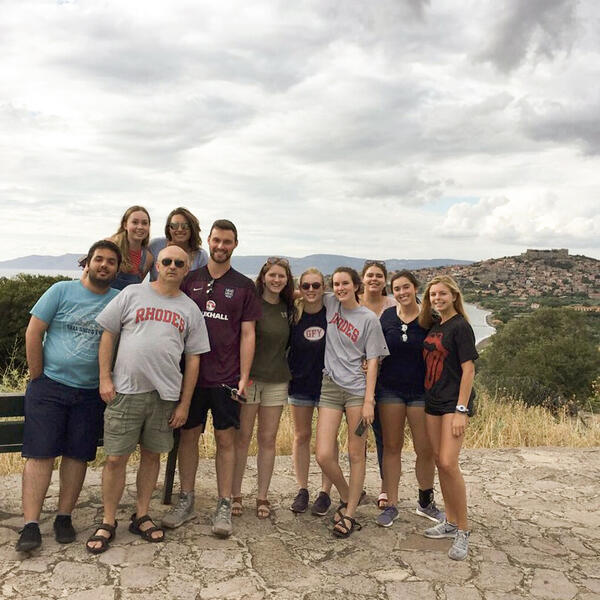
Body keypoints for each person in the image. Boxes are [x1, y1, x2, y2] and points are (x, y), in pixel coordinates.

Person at [85, 245, 210, 554]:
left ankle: (141, 515)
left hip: (165, 395)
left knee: (152, 456)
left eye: (178, 263)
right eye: (165, 261)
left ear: (185, 270)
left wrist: (184, 403)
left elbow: (194, 359)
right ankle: (108, 520)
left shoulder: (190, 309)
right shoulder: (132, 295)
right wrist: (104, 378)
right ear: (158, 266)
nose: (170, 266)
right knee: (115, 459)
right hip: (125, 392)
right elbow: (108, 334)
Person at [15, 240, 121, 553]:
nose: (104, 265)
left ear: (116, 269)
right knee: (41, 454)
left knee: (77, 455)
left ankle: (64, 516)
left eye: (111, 262)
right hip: (51, 387)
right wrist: (38, 376)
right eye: (98, 259)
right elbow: (33, 332)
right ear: (86, 263)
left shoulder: (117, 301)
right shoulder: (61, 290)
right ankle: (31, 524)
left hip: (90, 392)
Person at [164, 219, 262, 538]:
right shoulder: (189, 279)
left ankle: (224, 502)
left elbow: (248, 334)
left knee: (225, 440)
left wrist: (244, 378)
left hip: (226, 378)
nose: (221, 246)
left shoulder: (245, 286)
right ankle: (187, 498)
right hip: (190, 377)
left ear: (235, 244)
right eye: (216, 240)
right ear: (208, 240)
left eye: (227, 241)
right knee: (188, 437)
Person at [315, 267, 389, 538]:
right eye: (335, 284)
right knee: (323, 454)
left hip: (358, 392)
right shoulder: (329, 302)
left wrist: (369, 401)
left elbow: (372, 361)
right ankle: (349, 496)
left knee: (355, 453)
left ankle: (349, 514)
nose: (340, 288)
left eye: (345, 283)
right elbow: (303, 293)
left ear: (356, 285)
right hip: (330, 387)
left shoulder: (369, 319)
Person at [375, 270, 444, 528]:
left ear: (415, 288)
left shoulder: (430, 318)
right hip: (390, 390)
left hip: (420, 391)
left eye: (406, 287)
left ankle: (425, 501)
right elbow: (375, 349)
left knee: (424, 449)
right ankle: (391, 504)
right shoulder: (387, 316)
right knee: (391, 447)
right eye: (397, 289)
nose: (402, 292)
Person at [419, 275, 478, 561]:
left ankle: (464, 530)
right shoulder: (436, 324)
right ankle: (451, 522)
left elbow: (468, 371)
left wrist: (461, 410)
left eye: (442, 294)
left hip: (452, 405)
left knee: (448, 463)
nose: (437, 298)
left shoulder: (461, 327)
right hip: (432, 401)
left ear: (454, 296)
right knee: (439, 463)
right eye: (432, 295)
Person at [232, 257, 295, 519]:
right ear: (264, 277)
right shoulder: (251, 303)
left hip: (277, 379)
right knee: (242, 438)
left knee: (267, 440)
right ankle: (235, 494)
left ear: (287, 280)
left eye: (282, 276)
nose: (277, 280)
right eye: (273, 276)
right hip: (250, 380)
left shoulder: (289, 308)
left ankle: (262, 496)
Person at [288, 269, 334, 515]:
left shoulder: (333, 312)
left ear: (324, 286)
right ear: (300, 288)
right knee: (301, 436)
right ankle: (303, 489)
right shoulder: (294, 314)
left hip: (328, 385)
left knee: (327, 441)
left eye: (316, 286)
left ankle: (325, 492)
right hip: (300, 383)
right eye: (305, 286)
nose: (311, 291)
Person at [358, 260, 396, 509]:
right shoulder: (350, 300)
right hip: (352, 378)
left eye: (379, 276)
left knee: (382, 435)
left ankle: (385, 487)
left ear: (385, 280)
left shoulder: (393, 305)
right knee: (355, 437)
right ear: (362, 278)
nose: (374, 279)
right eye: (370, 275)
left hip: (386, 378)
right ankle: (356, 487)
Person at [148, 207, 209, 281]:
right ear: (168, 229)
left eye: (185, 226)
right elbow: (140, 274)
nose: (180, 229)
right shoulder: (155, 245)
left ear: (192, 229)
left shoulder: (201, 256)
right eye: (174, 226)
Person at [109, 205, 153, 290]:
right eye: (135, 222)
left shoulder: (147, 258)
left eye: (144, 223)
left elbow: (135, 288)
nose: (140, 227)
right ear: (125, 225)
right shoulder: (110, 245)